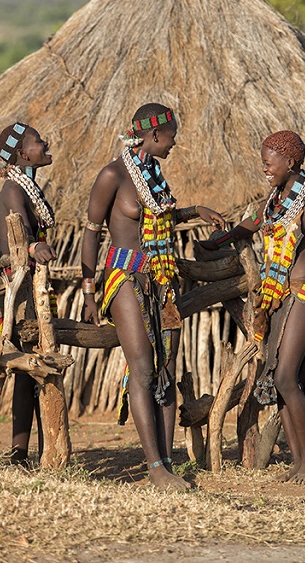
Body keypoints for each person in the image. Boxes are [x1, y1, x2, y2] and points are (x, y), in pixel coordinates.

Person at [199, 130, 305, 484]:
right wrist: (220, 241)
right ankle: (299, 462)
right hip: (276, 295)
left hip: (303, 292)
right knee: (279, 379)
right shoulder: (275, 199)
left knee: (285, 376)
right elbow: (252, 225)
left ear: (290, 162)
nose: (264, 168)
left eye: (268, 162)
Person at [80, 103, 225, 491]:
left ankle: (167, 462)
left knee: (164, 371)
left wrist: (196, 210)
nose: (175, 142)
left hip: (161, 278)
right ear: (154, 135)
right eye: (173, 135)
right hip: (125, 275)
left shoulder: (153, 172)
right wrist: (89, 290)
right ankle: (156, 468)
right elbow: (91, 231)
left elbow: (161, 216)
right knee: (143, 368)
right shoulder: (112, 174)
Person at [0, 122, 57, 466]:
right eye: (39, 142)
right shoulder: (15, 188)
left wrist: (6, 246)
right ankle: (26, 453)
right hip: (19, 292)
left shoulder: (21, 188)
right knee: (32, 368)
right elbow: (20, 236)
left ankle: (24, 454)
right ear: (24, 154)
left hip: (27, 285)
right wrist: (20, 248)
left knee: (31, 372)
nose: (45, 144)